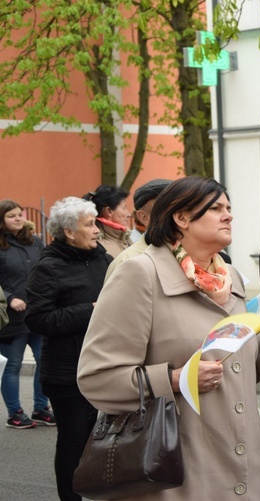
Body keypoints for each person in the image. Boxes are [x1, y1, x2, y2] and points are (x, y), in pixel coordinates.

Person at [78, 176, 260, 500]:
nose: (229, 215)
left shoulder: (230, 280)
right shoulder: (140, 274)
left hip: (245, 469)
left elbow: (241, 364)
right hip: (175, 473)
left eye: (229, 208)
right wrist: (175, 379)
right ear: (181, 217)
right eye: (216, 208)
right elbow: (97, 378)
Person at [25, 197, 112, 501]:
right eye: (90, 225)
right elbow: (37, 319)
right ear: (69, 232)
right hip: (67, 372)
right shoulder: (47, 267)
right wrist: (90, 310)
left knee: (101, 440)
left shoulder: (103, 260)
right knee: (73, 442)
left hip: (105, 364)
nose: (97, 230)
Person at [0, 200, 53, 429]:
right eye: (11, 216)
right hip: (11, 318)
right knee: (13, 365)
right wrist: (10, 297)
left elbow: (46, 269)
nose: (18, 219)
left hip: (37, 313)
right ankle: (15, 413)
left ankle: (41, 408)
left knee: (44, 360)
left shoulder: (34, 241)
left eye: (19, 214)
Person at [104, 178, 171, 282]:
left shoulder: (191, 253)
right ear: (144, 217)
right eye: (164, 210)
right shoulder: (129, 262)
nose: (176, 216)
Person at [82, 184, 132, 258]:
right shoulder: (96, 246)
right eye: (124, 208)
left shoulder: (125, 237)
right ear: (109, 211)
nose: (129, 214)